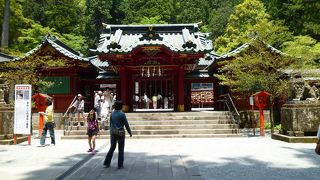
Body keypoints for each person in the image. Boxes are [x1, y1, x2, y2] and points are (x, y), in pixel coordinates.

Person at [103, 100, 132, 169]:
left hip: (113, 132)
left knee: (112, 148)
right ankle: (120, 165)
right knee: (121, 149)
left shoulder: (112, 113)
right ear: (120, 106)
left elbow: (111, 124)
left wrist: (111, 132)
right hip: (121, 133)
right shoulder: (122, 114)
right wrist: (129, 132)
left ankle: (107, 162)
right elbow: (126, 124)